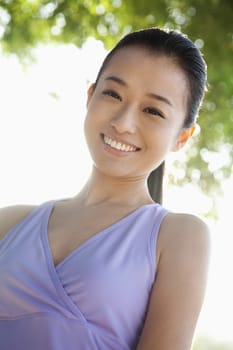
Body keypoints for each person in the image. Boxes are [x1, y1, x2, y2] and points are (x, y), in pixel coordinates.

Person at [0, 27, 210, 350]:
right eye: (113, 94)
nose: (123, 122)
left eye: (152, 110)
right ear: (90, 96)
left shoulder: (179, 237)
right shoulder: (10, 222)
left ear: (182, 137)